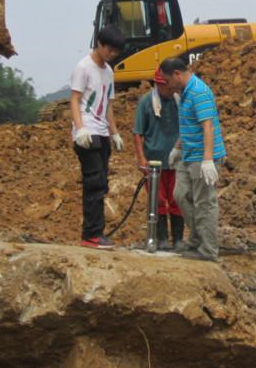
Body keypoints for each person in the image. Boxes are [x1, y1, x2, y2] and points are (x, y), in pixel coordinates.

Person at [159, 57, 226, 262]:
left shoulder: (198, 92)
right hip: (188, 154)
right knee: (181, 195)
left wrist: (207, 160)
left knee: (204, 202)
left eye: (167, 80)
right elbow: (189, 125)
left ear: (177, 75)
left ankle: (207, 249)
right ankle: (197, 239)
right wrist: (176, 149)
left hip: (201, 156)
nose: (167, 85)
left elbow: (208, 126)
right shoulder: (183, 95)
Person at [69, 25, 126, 249]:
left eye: (116, 52)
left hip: (101, 131)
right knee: (94, 182)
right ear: (99, 44)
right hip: (87, 131)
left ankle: (97, 233)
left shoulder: (109, 72)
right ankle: (90, 235)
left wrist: (114, 132)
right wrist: (80, 128)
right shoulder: (84, 67)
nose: (112, 55)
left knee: (102, 184)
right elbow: (75, 99)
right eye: (110, 50)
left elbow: (108, 104)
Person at [133, 68, 183, 250]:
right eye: (167, 86)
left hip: (176, 162)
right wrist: (141, 159)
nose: (171, 89)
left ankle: (178, 239)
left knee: (177, 199)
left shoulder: (179, 100)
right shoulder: (147, 102)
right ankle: (161, 238)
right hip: (154, 163)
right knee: (158, 201)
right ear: (158, 84)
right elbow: (138, 132)